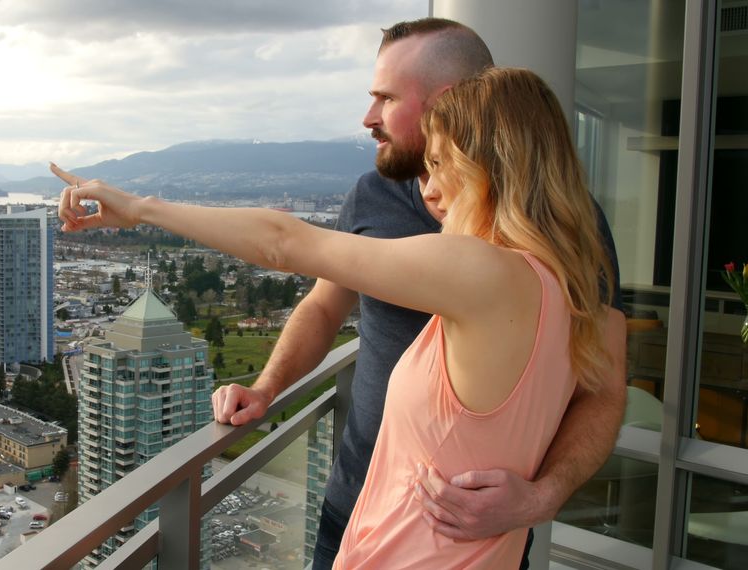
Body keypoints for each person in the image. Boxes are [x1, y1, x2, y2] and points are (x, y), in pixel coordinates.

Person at [51, 65, 623, 567]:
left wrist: (140, 207)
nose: (431, 189)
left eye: (442, 162)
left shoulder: (486, 273)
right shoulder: (565, 282)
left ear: (488, 168)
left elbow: (283, 242)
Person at [205, 19, 627, 569]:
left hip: (470, 533)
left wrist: (543, 497)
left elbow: (604, 388)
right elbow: (324, 304)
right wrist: (267, 388)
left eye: (385, 97)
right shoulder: (370, 194)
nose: (368, 118)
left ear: (445, 102)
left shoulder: (564, 227)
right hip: (354, 505)